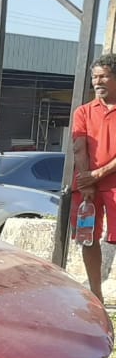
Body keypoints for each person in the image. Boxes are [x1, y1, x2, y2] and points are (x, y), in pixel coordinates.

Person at [71, 52, 116, 299]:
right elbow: (79, 146)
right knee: (88, 238)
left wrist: (96, 174)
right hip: (87, 185)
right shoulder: (84, 112)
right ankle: (95, 293)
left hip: (111, 183)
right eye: (94, 77)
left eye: (104, 77)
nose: (98, 82)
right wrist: (86, 180)